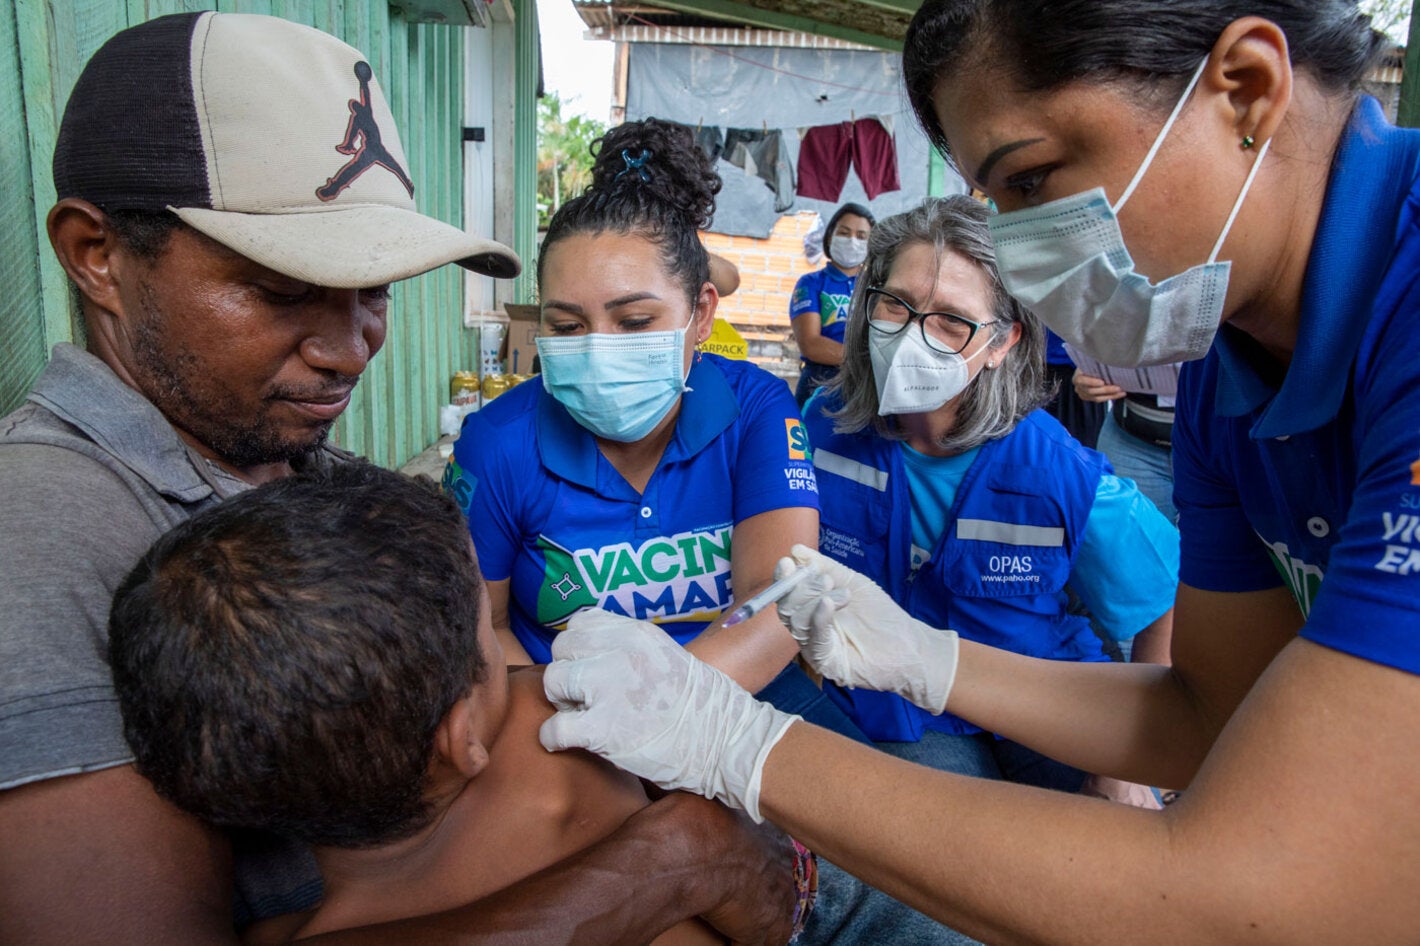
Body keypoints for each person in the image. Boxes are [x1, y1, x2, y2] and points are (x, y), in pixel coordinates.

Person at [533, 2, 1420, 942]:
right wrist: (932, 661)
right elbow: (1212, 713)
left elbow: (1251, 891)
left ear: (1243, 88)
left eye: (1033, 178)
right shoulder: (1227, 375)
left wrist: (738, 746)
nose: (1029, 265)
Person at [0, 12, 795, 946]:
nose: (350, 350)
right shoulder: (42, 530)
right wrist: (668, 862)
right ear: (97, 254)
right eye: (282, 288)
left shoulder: (301, 465)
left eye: (374, 288)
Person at [445, 118, 975, 946]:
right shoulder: (499, 441)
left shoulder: (755, 409)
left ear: (701, 313)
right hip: (565, 727)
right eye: (568, 325)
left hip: (756, 702)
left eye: (632, 319)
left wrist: (668, 720)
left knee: (916, 900)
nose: (599, 349)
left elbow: (778, 601)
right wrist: (592, 735)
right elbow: (482, 632)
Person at [108, 463, 815, 945]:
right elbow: (770, 873)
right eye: (489, 626)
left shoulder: (327, 929)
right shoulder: (561, 719)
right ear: (459, 735)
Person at [803, 194, 1176, 790]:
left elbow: (1159, 601)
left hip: (1042, 694)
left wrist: (1129, 765)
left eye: (951, 321)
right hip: (900, 703)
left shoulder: (1057, 468)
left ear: (1002, 344)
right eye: (895, 306)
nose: (912, 338)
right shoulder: (823, 426)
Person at [789, 202, 875, 407]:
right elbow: (811, 345)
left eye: (862, 236)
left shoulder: (876, 287)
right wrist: (868, 359)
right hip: (819, 382)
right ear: (830, 236)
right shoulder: (810, 283)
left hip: (864, 386)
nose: (852, 241)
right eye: (844, 233)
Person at [1074, 368, 1180, 524]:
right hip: (1132, 436)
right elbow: (1104, 347)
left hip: (1214, 442)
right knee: (1123, 539)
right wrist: (1090, 367)